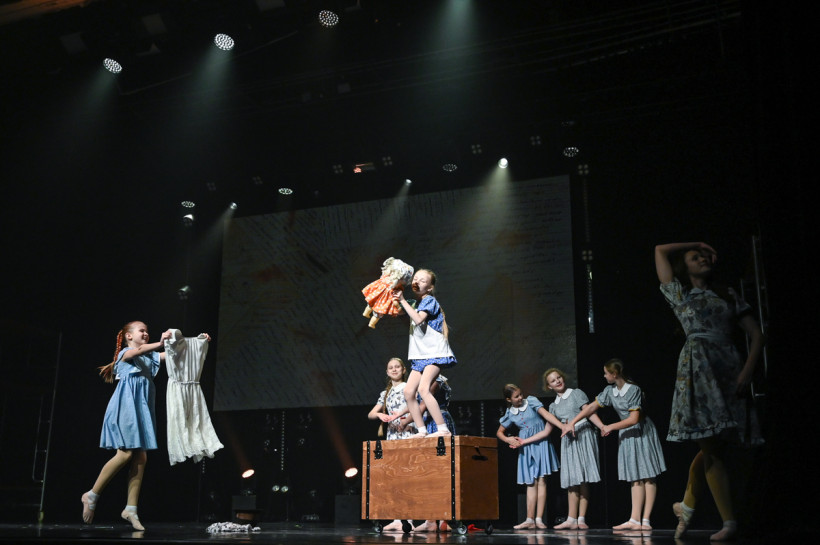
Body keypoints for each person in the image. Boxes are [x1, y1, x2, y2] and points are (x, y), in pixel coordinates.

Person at [655, 242, 765, 541]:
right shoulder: (680, 294)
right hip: (698, 371)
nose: (702, 258)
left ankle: (686, 506)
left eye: (705, 256)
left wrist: (747, 371)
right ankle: (729, 522)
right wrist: (696, 243)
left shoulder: (726, 293)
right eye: (696, 257)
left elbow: (757, 335)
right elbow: (660, 251)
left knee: (717, 446)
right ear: (685, 266)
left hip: (729, 369)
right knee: (711, 449)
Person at [81, 321, 211, 531]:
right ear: (128, 336)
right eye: (141, 331)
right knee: (124, 454)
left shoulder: (149, 357)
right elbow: (140, 351)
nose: (146, 333)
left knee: (141, 457)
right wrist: (160, 342)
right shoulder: (125, 353)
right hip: (126, 407)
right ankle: (92, 494)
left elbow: (175, 354)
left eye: (147, 331)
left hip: (141, 409)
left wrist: (198, 342)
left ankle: (131, 509)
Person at [564, 359, 666, 531]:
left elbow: (633, 419)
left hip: (642, 432)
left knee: (648, 475)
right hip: (627, 434)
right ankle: (635, 519)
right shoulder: (610, 391)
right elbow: (590, 408)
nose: (604, 376)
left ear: (615, 374)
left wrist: (610, 426)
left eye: (606, 373)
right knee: (635, 476)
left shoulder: (633, 390)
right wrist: (573, 422)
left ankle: (646, 520)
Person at [393, 268, 457, 439]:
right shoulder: (415, 303)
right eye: (415, 279)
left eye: (422, 280)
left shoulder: (429, 300)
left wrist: (402, 300)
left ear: (429, 287)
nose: (417, 282)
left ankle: (443, 428)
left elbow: (418, 318)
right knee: (408, 392)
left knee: (423, 389)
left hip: (434, 353)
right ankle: (422, 430)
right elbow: (397, 311)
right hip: (420, 355)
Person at [542, 368, 604, 530]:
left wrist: (602, 426)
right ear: (549, 387)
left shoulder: (576, 393)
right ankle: (571, 519)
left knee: (583, 478)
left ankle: (581, 519)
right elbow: (547, 430)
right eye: (553, 380)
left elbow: (589, 412)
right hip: (568, 440)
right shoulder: (553, 406)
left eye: (559, 377)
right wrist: (524, 441)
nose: (557, 381)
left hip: (583, 435)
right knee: (572, 479)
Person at [497, 384, 560, 530]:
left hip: (540, 441)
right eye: (516, 396)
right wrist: (508, 439)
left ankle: (539, 519)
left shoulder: (531, 401)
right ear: (509, 399)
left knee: (541, 480)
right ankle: (529, 519)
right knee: (530, 482)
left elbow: (546, 415)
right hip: (525, 446)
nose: (520, 397)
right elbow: (499, 432)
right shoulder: (510, 413)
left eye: (520, 394)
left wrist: (561, 426)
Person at [367, 357, 415, 532]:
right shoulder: (385, 393)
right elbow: (371, 414)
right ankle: (398, 518)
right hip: (393, 436)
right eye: (391, 368)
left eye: (397, 367)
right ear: (387, 372)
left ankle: (409, 518)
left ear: (403, 370)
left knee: (408, 477)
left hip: (408, 433)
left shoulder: (409, 387)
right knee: (395, 478)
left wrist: (404, 420)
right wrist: (380, 415)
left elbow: (416, 407)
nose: (394, 370)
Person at [413, 375, 454, 533]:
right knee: (432, 473)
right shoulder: (428, 380)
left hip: (436, 422)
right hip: (433, 421)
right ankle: (434, 519)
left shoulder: (435, 380)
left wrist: (404, 421)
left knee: (437, 472)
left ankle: (439, 519)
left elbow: (423, 405)